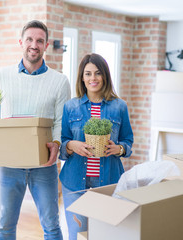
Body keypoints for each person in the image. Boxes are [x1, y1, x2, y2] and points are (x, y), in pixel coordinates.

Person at [0, 20, 70, 240]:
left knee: (52, 226)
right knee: (5, 226)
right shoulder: (0, 77)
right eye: (29, 39)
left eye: (39, 40)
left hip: (44, 165)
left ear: (46, 46)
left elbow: (60, 121)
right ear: (21, 42)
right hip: (9, 165)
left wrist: (56, 144)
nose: (34, 44)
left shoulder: (59, 81)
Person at [59, 53, 133, 240]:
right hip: (75, 183)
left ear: (105, 76)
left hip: (109, 182)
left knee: (105, 235)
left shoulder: (119, 106)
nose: (93, 78)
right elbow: (61, 145)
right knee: (77, 235)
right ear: (82, 78)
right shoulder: (70, 107)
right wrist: (71, 145)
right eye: (88, 74)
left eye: (98, 73)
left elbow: (128, 141)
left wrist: (120, 149)